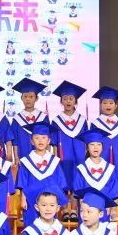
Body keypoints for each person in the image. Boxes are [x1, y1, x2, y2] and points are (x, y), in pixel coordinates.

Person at [16, 122, 68, 228]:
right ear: (31, 141)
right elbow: (23, 183)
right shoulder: (26, 162)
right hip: (31, 200)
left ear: (49, 141)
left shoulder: (54, 161)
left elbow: (60, 183)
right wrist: (23, 199)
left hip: (50, 200)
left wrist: (58, 202)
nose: (40, 141)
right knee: (32, 225)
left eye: (44, 138)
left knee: (50, 225)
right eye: (37, 138)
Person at [50, 80, 88, 222]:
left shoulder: (82, 120)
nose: (68, 101)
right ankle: (66, 210)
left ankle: (75, 210)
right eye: (65, 98)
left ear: (75, 101)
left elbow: (86, 141)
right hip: (63, 157)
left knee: (77, 183)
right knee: (65, 183)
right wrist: (55, 157)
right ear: (61, 101)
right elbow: (54, 142)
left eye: (71, 98)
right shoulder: (56, 121)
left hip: (79, 158)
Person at [88, 87, 118, 192]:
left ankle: (116, 203)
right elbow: (91, 144)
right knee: (102, 182)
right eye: (104, 103)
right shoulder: (96, 124)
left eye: (111, 103)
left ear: (116, 105)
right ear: (100, 106)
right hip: (102, 158)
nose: (108, 105)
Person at [72, 130, 118, 221]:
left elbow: (114, 192)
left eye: (99, 144)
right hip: (86, 212)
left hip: (104, 212)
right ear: (87, 148)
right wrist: (75, 211)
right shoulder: (81, 169)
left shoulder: (109, 169)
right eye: (92, 144)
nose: (96, 147)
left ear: (102, 147)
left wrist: (113, 212)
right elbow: (77, 193)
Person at [8, 77, 49, 162]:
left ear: (36, 98)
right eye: (25, 96)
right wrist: (16, 157)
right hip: (22, 157)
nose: (28, 99)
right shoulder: (17, 119)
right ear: (21, 98)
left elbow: (47, 139)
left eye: (31, 96)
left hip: (41, 158)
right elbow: (15, 142)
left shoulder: (43, 118)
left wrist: (47, 156)